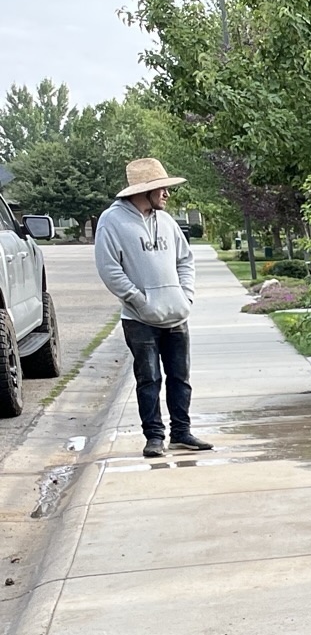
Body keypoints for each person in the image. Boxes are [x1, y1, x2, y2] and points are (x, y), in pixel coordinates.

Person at [95, 158, 212, 459]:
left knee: (180, 378)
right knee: (149, 380)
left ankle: (181, 433)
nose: (167, 194)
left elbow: (185, 260)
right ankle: (154, 437)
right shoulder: (112, 221)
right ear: (142, 191)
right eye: (161, 188)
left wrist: (185, 296)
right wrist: (138, 299)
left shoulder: (167, 222)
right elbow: (109, 269)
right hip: (139, 320)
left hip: (176, 316)